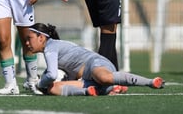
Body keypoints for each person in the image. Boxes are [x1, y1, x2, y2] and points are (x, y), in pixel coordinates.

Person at [26, 23, 165, 96]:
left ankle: (150, 82)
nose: (27, 43)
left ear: (41, 38)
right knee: (53, 90)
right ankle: (91, 91)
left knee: (104, 78)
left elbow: (51, 74)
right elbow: (57, 75)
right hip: (87, 81)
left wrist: (40, 84)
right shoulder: (51, 49)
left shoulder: (51, 47)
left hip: (95, 64)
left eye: (29, 39)